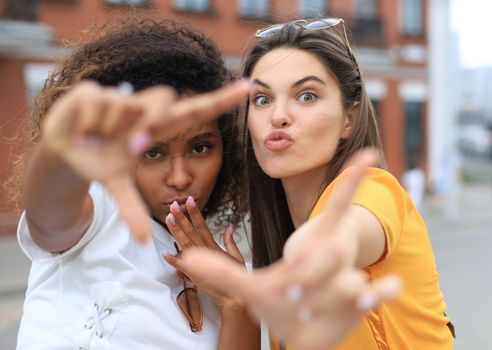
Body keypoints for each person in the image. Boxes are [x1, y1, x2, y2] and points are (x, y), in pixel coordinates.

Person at [176, 17, 454, 349]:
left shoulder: (373, 189)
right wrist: (237, 302)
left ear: (348, 118)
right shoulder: (286, 271)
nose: (278, 115)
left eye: (306, 96)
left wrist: (319, 251)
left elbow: (347, 230)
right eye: (262, 99)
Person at [15, 15, 259, 349]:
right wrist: (65, 150)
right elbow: (49, 220)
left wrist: (236, 302)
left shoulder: (228, 268)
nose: (179, 177)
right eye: (153, 153)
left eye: (200, 148)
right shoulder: (101, 212)